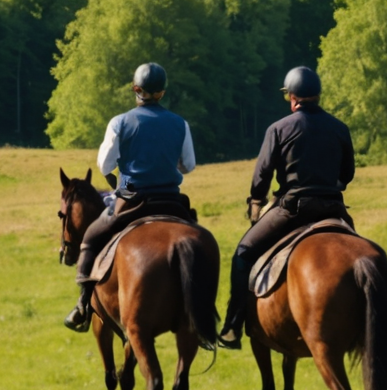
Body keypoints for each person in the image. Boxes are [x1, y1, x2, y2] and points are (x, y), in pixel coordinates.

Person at [215, 66, 356, 350]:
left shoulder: (278, 129)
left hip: (292, 210)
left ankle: (233, 324)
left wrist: (256, 202)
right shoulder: (340, 128)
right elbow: (347, 174)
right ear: (317, 96)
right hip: (333, 209)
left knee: (242, 254)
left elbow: (262, 176)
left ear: (292, 98)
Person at [64, 62, 197, 332]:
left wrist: (121, 172)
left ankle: (82, 305)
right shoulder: (180, 123)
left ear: (136, 90)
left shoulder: (119, 122)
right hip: (171, 200)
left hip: (132, 200)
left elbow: (104, 165)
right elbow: (188, 165)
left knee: (90, 238)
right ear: (162, 92)